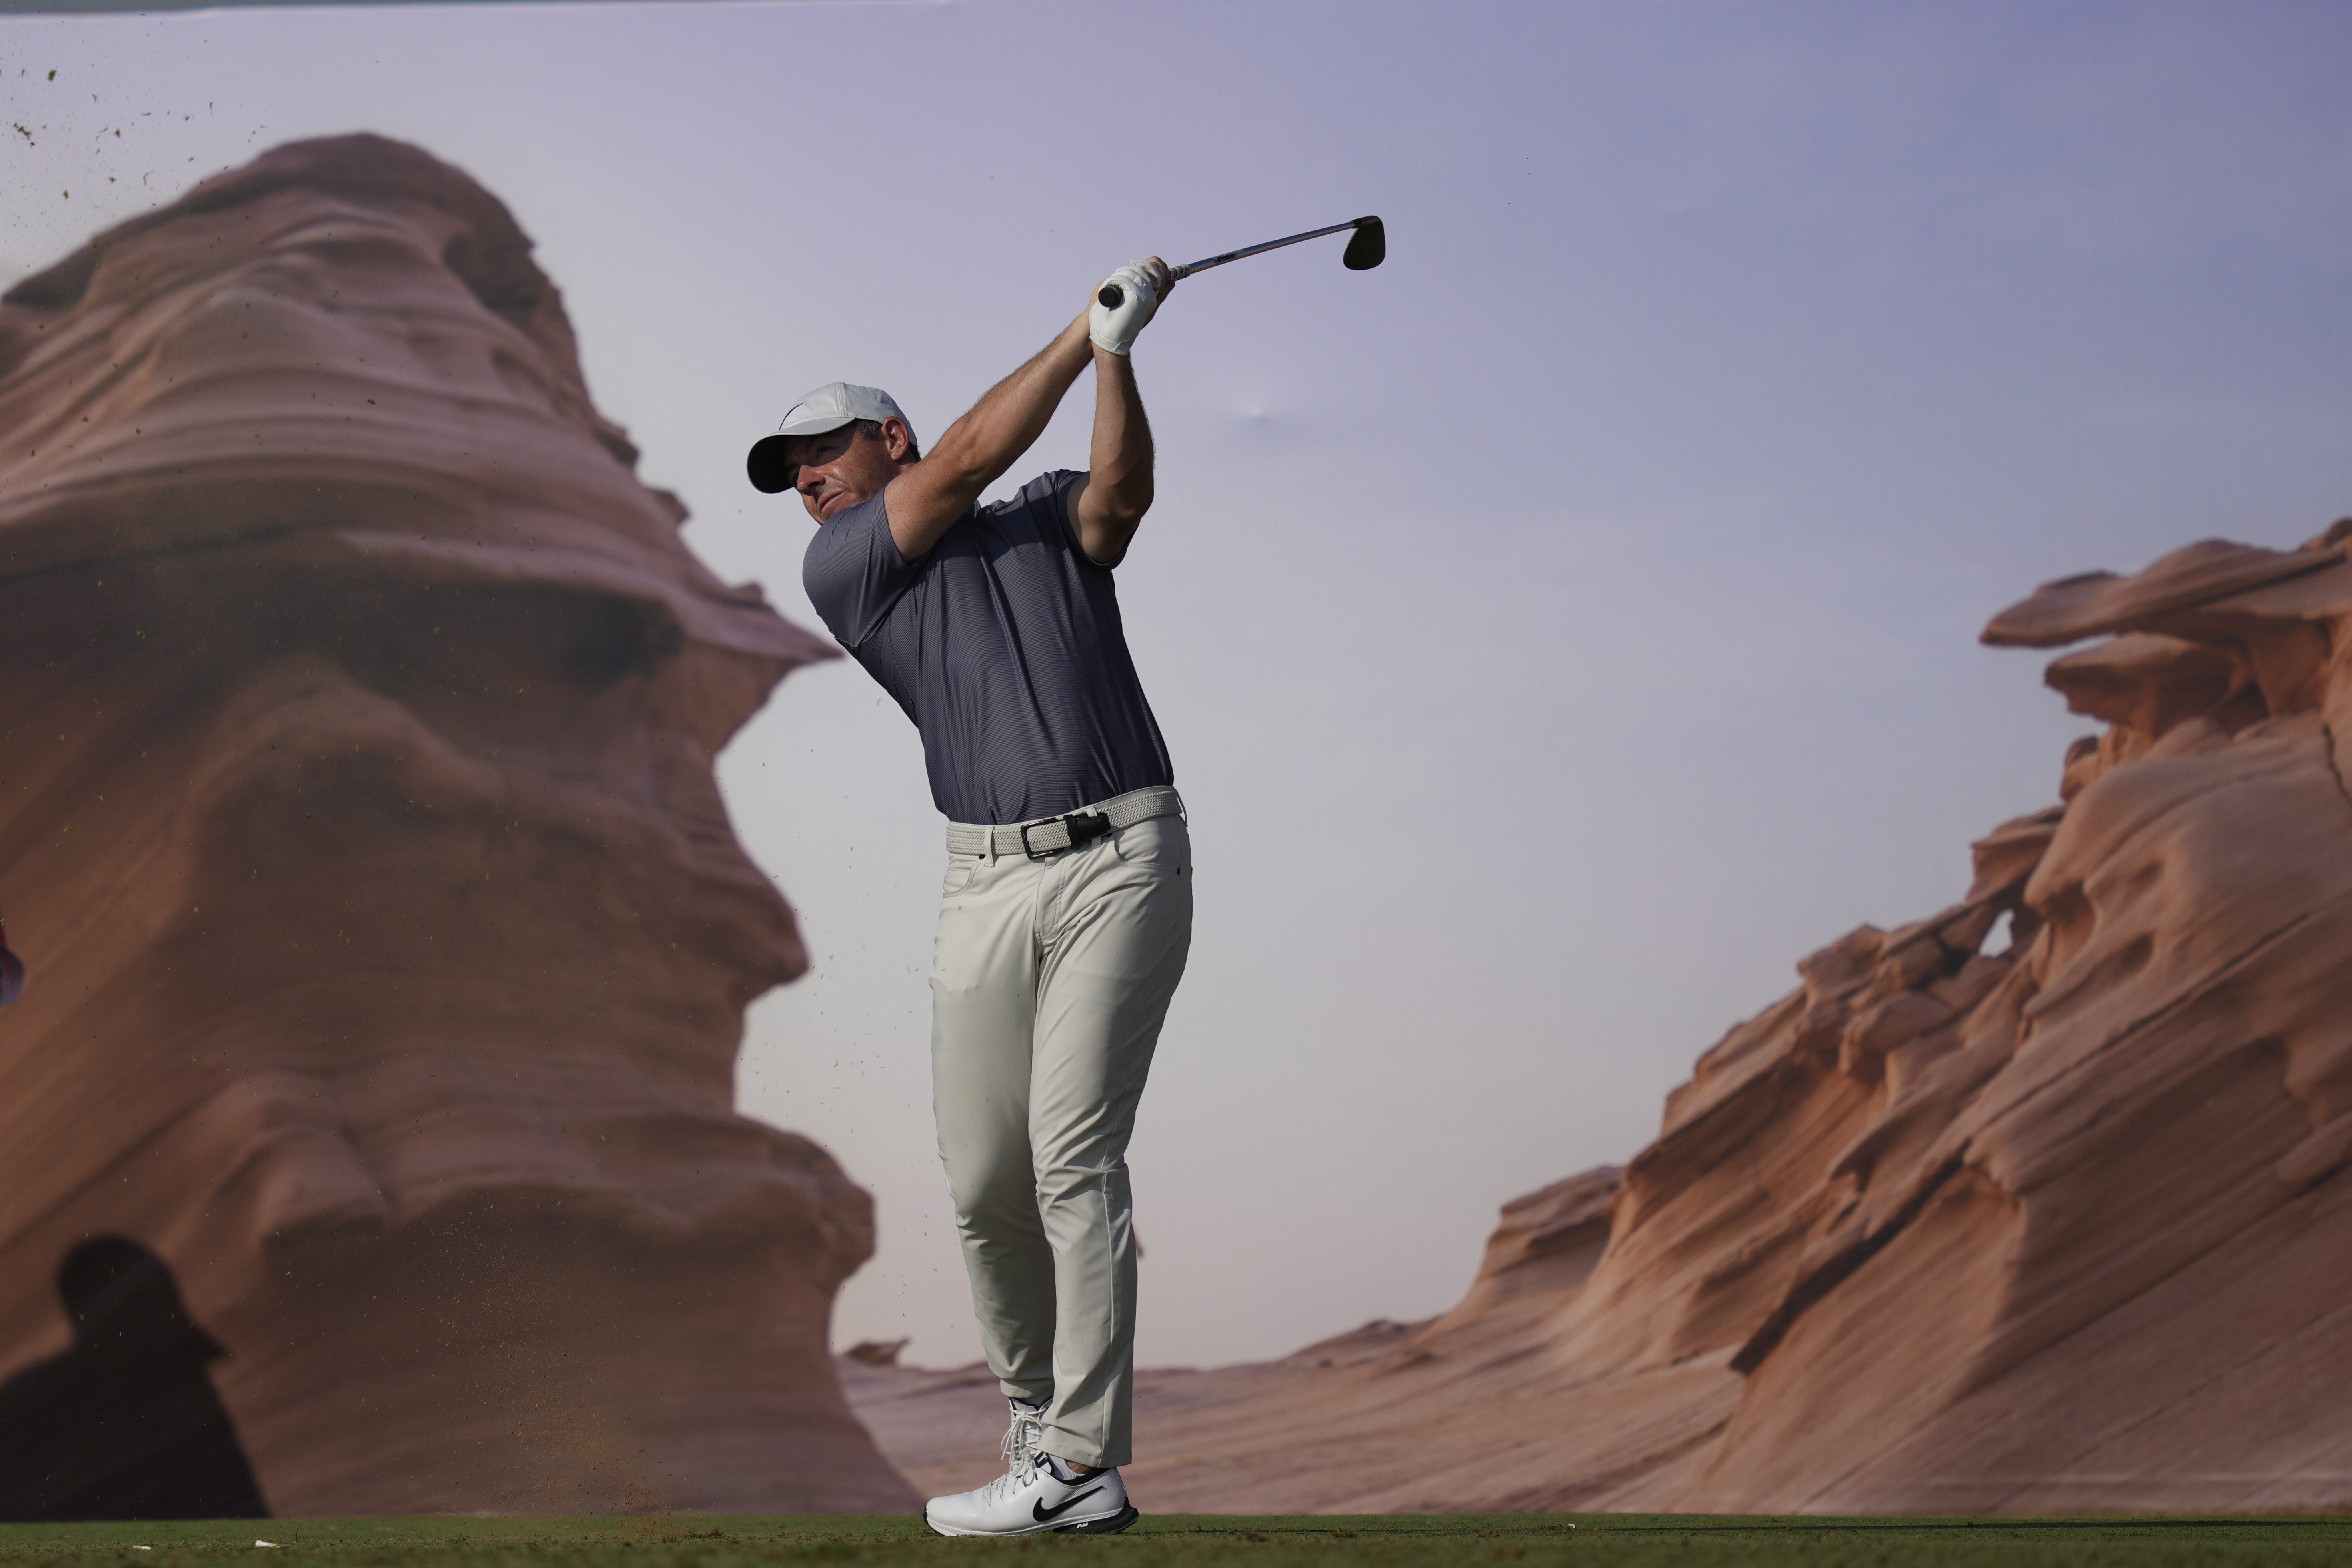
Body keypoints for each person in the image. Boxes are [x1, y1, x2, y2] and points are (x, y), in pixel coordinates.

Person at [747, 260, 1190, 1538]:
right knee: (985, 1177)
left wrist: (1114, 357)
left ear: (882, 435)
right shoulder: (846, 567)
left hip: (1122, 857)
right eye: (789, 472)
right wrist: (1078, 330)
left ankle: (1081, 1462)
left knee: (1069, 1155)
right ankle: (1037, 1433)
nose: (805, 480)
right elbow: (963, 459)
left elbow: (1118, 500)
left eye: (820, 452)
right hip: (980, 886)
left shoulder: (1040, 515)